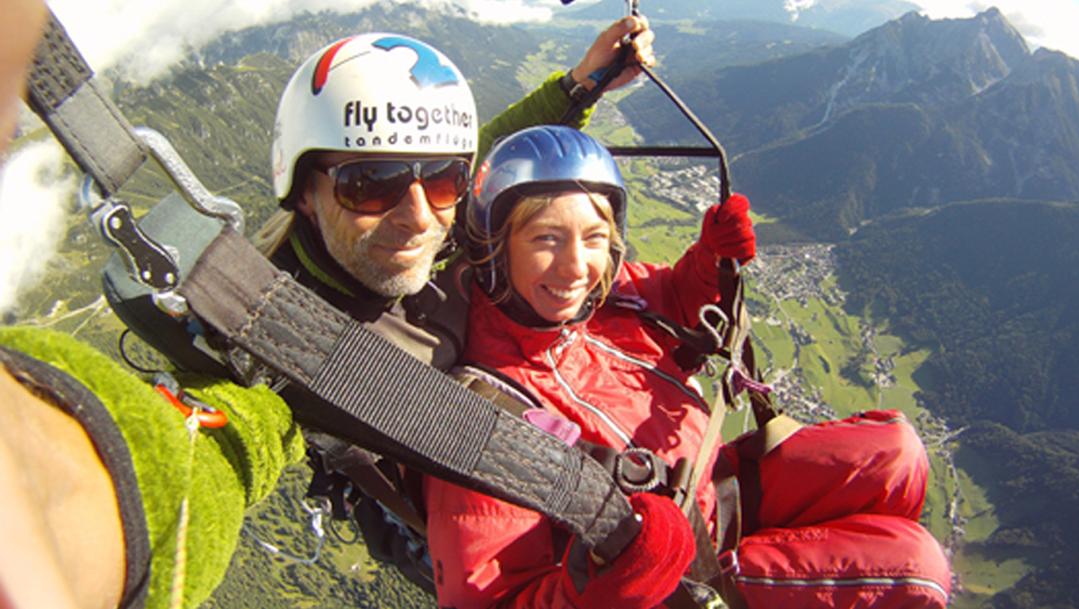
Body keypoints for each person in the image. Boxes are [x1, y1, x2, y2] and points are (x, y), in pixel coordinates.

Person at [0, 4, 659, 609]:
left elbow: (483, 153)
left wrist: (581, 85)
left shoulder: (427, 218)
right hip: (481, 531)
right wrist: (79, 519)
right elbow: (220, 440)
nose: (417, 216)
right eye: (370, 183)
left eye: (443, 178)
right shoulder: (276, 332)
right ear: (304, 193)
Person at [422, 125, 953, 608]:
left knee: (898, 453)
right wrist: (613, 585)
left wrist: (710, 260)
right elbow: (489, 599)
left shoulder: (598, 300)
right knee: (918, 572)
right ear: (495, 247)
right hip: (681, 577)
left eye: (594, 237)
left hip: (716, 485)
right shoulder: (486, 414)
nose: (576, 267)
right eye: (546, 238)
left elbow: (671, 295)